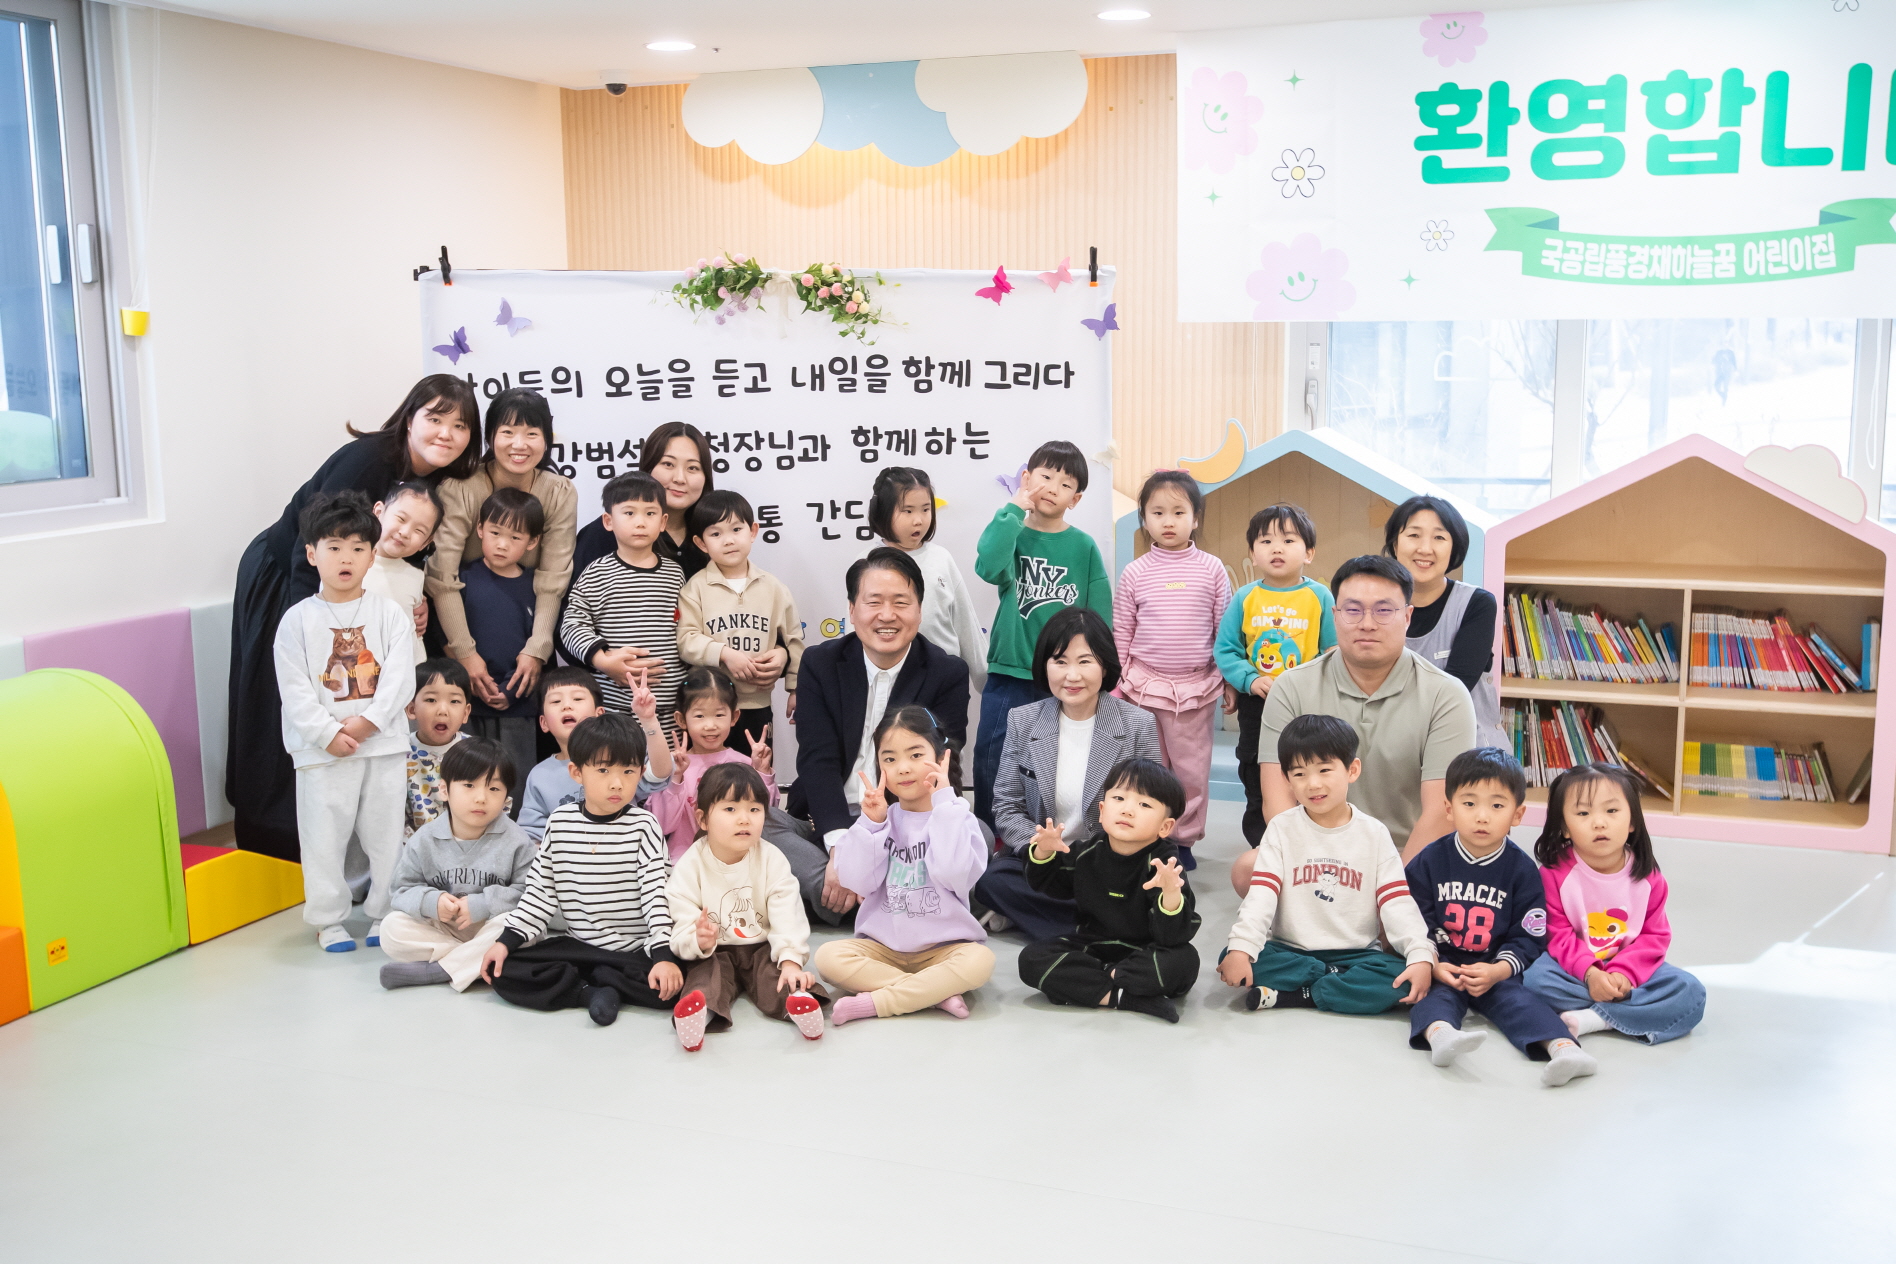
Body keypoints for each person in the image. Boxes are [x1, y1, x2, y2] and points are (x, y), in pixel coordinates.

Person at [228, 374, 477, 860]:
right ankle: (276, 843)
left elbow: (402, 555)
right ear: (410, 417)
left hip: (348, 595)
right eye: (435, 418)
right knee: (288, 702)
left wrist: (413, 603)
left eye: (461, 426)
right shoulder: (369, 459)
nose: (447, 433)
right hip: (292, 574)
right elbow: (318, 542)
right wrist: (312, 622)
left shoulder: (437, 479)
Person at [1230, 554, 1476, 895]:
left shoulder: (1447, 695)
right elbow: (1278, 802)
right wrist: (1327, 875)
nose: (1367, 624)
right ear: (1334, 616)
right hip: (1316, 850)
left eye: (1384, 610)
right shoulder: (1290, 687)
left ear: (1407, 616)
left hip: (1405, 854)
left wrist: (1392, 890)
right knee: (1248, 870)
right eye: (1353, 610)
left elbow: (1439, 814)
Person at [788, 547, 972, 922]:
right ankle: (887, 897)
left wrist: (874, 842)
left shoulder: (946, 673)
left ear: (919, 610)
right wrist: (842, 846)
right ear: (852, 610)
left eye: (901, 602)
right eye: (874, 602)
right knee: (761, 827)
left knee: (977, 834)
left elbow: (940, 765)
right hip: (827, 819)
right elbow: (817, 759)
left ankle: (837, 898)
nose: (887, 615)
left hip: (906, 827)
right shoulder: (820, 663)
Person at [272, 490, 418, 953]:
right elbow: (294, 690)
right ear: (312, 553)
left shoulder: (388, 613)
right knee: (323, 838)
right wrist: (328, 733)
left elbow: (400, 677)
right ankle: (328, 919)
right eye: (334, 547)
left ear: (372, 556)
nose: (346, 558)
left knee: (385, 836)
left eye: (358, 548)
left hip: (382, 746)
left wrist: (369, 723)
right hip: (321, 752)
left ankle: (384, 913)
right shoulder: (297, 621)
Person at [1404, 747, 1598, 1086]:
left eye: (1497, 806)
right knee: (1431, 996)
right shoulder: (1429, 861)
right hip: (1444, 965)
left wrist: (1499, 970)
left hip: (1495, 967)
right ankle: (1442, 1036)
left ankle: (1564, 1049)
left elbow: (1529, 934)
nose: (1482, 816)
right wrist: (1432, 963)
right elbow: (1413, 918)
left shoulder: (1522, 870)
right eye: (1469, 803)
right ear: (1449, 808)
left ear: (1517, 814)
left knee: (1521, 1002)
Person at [1216, 715, 1435, 1014]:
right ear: (1287, 779)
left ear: (1352, 770)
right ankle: (1334, 983)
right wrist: (1242, 947)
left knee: (1403, 976)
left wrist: (1420, 954)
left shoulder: (1374, 833)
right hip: (1290, 950)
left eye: (1324, 770)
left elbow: (1397, 902)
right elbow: (1261, 895)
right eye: (1300, 774)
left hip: (1357, 954)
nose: (1313, 784)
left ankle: (1297, 995)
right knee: (1232, 955)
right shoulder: (1281, 828)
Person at [478, 714, 685, 1027]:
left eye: (628, 771)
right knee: (503, 971)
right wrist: (505, 942)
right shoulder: (560, 822)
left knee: (672, 985)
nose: (617, 783)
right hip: (578, 947)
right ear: (577, 772)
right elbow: (540, 893)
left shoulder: (644, 825)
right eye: (603, 770)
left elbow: (656, 896)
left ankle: (596, 982)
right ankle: (590, 993)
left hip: (632, 951)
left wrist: (663, 957)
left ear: (641, 773)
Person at [975, 607, 1162, 940]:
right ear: (1044, 665)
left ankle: (1059, 922)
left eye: (1085, 661)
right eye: (1060, 661)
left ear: (1105, 665)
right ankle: (1100, 927)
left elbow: (1154, 807)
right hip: (1046, 859)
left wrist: (1109, 856)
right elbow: (1006, 804)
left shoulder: (1138, 724)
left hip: (1110, 861)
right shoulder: (1023, 720)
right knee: (992, 881)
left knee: (1144, 884)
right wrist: (1041, 847)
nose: (1072, 675)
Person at [816, 707, 996, 1025]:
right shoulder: (879, 818)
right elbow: (856, 881)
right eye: (889, 759)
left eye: (915, 755)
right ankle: (935, 993)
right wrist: (871, 825)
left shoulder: (957, 816)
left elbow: (954, 874)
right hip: (882, 948)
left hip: (945, 948)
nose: (903, 768)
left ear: (941, 757)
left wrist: (944, 803)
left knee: (980, 961)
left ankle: (877, 1002)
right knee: (827, 958)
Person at [972, 440, 1112, 823]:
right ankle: (988, 835)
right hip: (1011, 672)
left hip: (1066, 678)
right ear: (1026, 478)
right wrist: (1013, 509)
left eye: (1065, 484)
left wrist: (1099, 670)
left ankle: (1045, 834)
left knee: (1055, 759)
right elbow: (987, 567)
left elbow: (1099, 615)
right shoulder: (1012, 532)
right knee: (992, 754)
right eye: (1046, 477)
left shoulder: (1083, 546)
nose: (1052, 488)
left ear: (1076, 499)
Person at [1523, 763, 1706, 1046]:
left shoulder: (1649, 878)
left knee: (1690, 993)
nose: (1599, 822)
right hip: (1576, 970)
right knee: (1534, 979)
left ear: (1632, 821)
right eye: (1583, 813)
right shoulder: (1553, 874)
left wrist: (1623, 973)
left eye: (1611, 811)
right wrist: (1591, 974)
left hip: (1630, 971)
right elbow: (1557, 935)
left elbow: (1654, 937)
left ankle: (1596, 1019)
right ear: (1565, 828)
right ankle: (1632, 1012)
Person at [427, 388, 578, 717]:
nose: (519, 444)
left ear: (546, 439)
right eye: (507, 432)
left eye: (532, 433)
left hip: (525, 635)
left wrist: (538, 648)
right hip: (461, 629)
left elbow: (553, 579)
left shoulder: (559, 492)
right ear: (490, 437)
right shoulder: (461, 488)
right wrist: (464, 652)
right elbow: (441, 578)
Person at [1112, 470, 1234, 865]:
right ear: (1144, 519)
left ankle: (1182, 841)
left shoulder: (1212, 569)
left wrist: (1229, 680)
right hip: (1142, 686)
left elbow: (1224, 630)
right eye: (1158, 512)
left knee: (1191, 770)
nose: (1168, 521)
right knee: (1146, 767)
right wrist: (1116, 685)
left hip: (1195, 689)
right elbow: (1122, 632)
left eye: (1179, 512)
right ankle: (1147, 837)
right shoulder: (1135, 572)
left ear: (1195, 518)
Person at [1019, 758, 1199, 1023]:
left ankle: (1094, 985)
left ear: (1165, 827)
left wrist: (1171, 896)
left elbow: (1172, 937)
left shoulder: (1165, 865)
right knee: (1031, 959)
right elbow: (1049, 883)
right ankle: (1122, 996)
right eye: (1118, 798)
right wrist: (1043, 852)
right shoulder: (1087, 852)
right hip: (1093, 947)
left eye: (1144, 804)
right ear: (1102, 811)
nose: (1127, 810)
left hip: (1145, 951)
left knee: (1185, 962)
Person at [666, 763, 829, 1050]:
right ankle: (699, 1015)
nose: (744, 819)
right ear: (703, 819)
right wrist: (697, 938)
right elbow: (681, 914)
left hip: (761, 946)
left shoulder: (771, 858)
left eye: (754, 809)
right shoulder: (691, 864)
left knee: (775, 975)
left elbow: (787, 914)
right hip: (715, 950)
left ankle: (798, 1003)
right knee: (705, 976)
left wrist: (791, 961)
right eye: (730, 809)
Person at [1215, 503, 1336, 847]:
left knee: (1309, 770)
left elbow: (1332, 650)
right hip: (1258, 704)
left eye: (1288, 540)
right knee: (1255, 771)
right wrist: (1250, 679)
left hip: (1308, 706)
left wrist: (1311, 683)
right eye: (1266, 541)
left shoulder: (1319, 596)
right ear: (1253, 554)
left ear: (1309, 552)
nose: (1276, 548)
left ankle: (1309, 844)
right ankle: (1263, 845)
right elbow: (1226, 649)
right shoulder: (1245, 597)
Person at [378, 739, 536, 992]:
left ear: (506, 796)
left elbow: (530, 894)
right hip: (444, 928)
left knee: (527, 927)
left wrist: (483, 904)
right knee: (391, 928)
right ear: (444, 790)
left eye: (494, 788)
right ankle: (475, 963)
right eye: (469, 785)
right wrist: (431, 902)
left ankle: (439, 971)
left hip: (491, 925)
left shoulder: (517, 840)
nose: (481, 798)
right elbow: (401, 890)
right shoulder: (425, 839)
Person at [645, 667, 819, 888]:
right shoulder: (671, 767)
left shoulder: (743, 763)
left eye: (719, 715)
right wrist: (676, 779)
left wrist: (762, 773)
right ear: (681, 719)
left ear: (734, 716)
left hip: (740, 863)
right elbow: (662, 824)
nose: (710, 725)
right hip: (685, 863)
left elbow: (767, 819)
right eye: (699, 716)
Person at [676, 489, 803, 750]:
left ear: (753, 531)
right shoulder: (695, 588)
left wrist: (795, 688)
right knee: (709, 771)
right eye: (715, 534)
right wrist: (725, 654)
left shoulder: (774, 588)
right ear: (701, 543)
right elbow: (686, 640)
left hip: (757, 705)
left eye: (736, 529)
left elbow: (793, 639)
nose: (728, 540)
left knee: (756, 768)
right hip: (709, 707)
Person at [560, 471, 685, 717]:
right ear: (608, 521)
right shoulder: (596, 573)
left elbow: (687, 626)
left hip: (672, 709)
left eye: (650, 513)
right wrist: (602, 660)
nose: (640, 522)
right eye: (629, 513)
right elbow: (572, 625)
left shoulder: (675, 573)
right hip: (616, 710)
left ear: (663, 522)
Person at [1385, 495, 1502, 749]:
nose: (1425, 549)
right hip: (1390, 745)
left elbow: (1455, 689)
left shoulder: (1477, 604)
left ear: (1454, 547)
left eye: (1439, 537)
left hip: (1467, 749)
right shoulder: (1375, 603)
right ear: (1395, 543)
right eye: (1414, 535)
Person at [565, 421, 716, 615]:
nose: (680, 478)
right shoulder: (605, 533)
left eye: (693, 468)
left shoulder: (715, 533)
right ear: (648, 467)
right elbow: (574, 614)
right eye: (668, 464)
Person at [860, 466, 988, 693]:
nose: (918, 520)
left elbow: (966, 624)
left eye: (926, 509)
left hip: (941, 681)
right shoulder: (867, 563)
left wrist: (986, 683)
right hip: (885, 682)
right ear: (883, 511)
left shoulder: (941, 558)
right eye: (907, 511)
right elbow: (857, 628)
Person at [518, 666, 674, 840]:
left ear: (599, 713)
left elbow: (660, 773)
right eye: (555, 701)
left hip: (623, 848)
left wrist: (649, 720)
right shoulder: (540, 775)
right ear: (544, 722)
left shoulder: (619, 754)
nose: (567, 706)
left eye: (577, 698)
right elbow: (531, 834)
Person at [458, 487, 546, 787]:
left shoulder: (536, 587)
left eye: (515, 537)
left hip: (518, 705)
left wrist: (511, 690)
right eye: (495, 533)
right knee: (469, 779)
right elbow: (447, 635)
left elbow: (538, 643)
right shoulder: (462, 579)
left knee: (514, 784)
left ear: (532, 541)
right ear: (480, 529)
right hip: (468, 703)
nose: (502, 544)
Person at [361, 481, 443, 664]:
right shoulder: (348, 565)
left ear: (425, 542)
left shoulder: (415, 576)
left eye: (419, 530)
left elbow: (415, 635)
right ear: (379, 512)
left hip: (405, 672)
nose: (405, 532)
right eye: (401, 519)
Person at [404, 658, 472, 838]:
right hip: (416, 846)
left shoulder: (474, 752)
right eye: (431, 700)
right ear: (411, 709)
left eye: (454, 701)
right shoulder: (402, 753)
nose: (443, 710)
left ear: (466, 713)